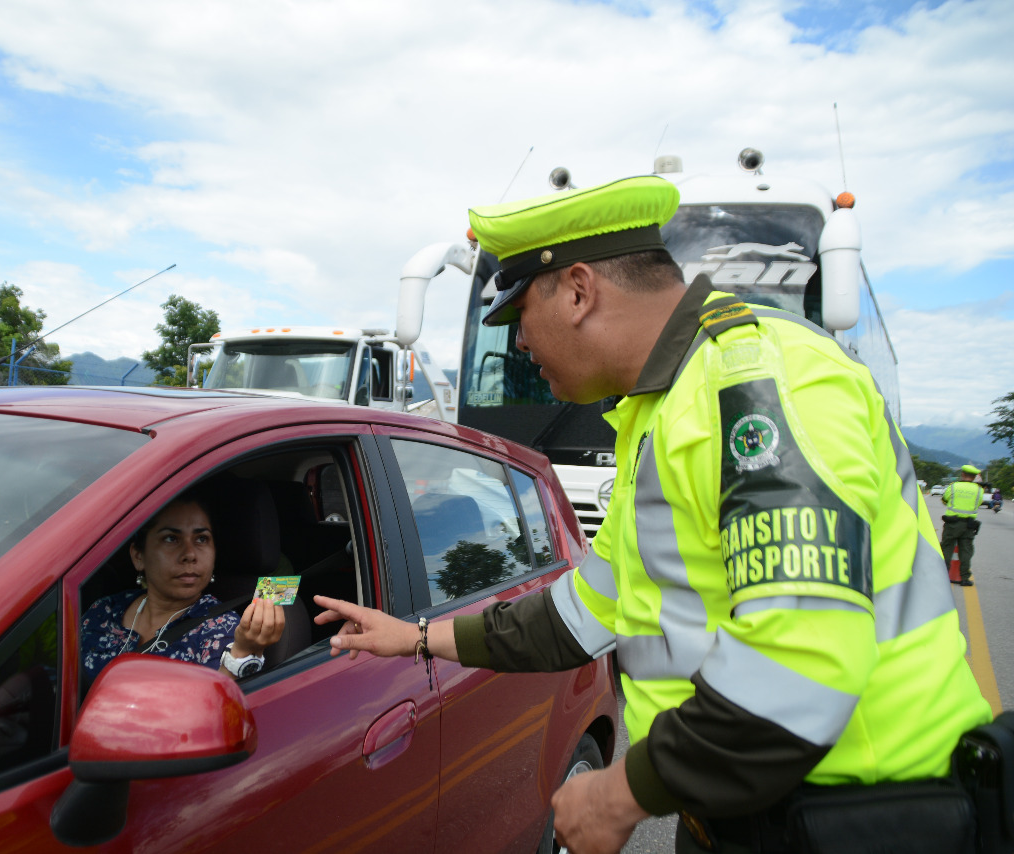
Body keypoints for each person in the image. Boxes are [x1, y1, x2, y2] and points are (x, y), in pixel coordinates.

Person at [314, 176, 991, 854]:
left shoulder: (759, 387)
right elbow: (576, 617)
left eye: (518, 317)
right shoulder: (657, 413)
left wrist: (618, 793)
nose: (519, 345)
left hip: (863, 819)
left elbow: (799, 669)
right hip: (755, 814)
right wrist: (418, 638)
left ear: (578, 291)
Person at [81, 491, 284, 685]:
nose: (190, 554)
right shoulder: (104, 611)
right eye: (171, 538)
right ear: (138, 556)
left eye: (201, 539)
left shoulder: (221, 630)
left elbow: (213, 707)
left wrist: (242, 654)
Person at [940, 465, 985, 586]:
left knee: (946, 548)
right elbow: (979, 503)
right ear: (975, 477)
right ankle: (964, 578)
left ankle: (942, 576)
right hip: (969, 525)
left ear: (963, 474)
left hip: (952, 523)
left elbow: (944, 499)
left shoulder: (954, 486)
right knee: (966, 551)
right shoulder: (979, 490)